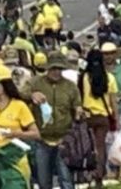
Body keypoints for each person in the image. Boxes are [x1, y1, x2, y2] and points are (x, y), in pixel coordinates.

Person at [30, 52, 82, 189]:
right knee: (43, 180)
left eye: (59, 69)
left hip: (64, 140)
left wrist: (78, 111)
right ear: (47, 68)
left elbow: (77, 104)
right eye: (53, 68)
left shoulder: (70, 86)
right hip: (41, 139)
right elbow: (19, 94)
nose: (56, 72)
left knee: (66, 179)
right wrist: (32, 95)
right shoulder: (35, 82)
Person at [80, 47, 118, 188]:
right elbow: (114, 102)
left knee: (87, 148)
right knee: (100, 148)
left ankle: (87, 174)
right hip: (103, 117)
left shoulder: (84, 77)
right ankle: (99, 176)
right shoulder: (109, 78)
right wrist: (116, 119)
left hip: (88, 116)